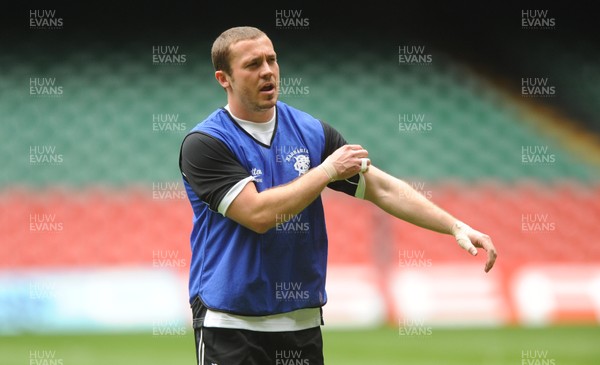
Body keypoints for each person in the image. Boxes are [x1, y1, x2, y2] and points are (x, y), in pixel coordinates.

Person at [179, 26, 497, 365]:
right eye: (253, 64)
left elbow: (381, 187)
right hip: (230, 323)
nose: (268, 71)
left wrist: (454, 225)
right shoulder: (206, 144)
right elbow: (257, 215)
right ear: (223, 78)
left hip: (301, 322)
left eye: (272, 60)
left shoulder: (310, 131)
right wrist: (328, 171)